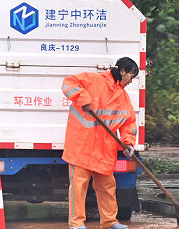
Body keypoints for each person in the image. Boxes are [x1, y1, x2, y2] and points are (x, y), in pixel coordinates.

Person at [61, 57, 139, 229]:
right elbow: (68, 83)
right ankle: (77, 223)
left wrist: (129, 143)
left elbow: (129, 123)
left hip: (104, 149)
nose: (131, 81)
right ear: (122, 71)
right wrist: (83, 98)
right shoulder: (93, 80)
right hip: (81, 146)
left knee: (107, 187)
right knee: (78, 186)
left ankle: (110, 222)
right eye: (131, 76)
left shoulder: (123, 97)